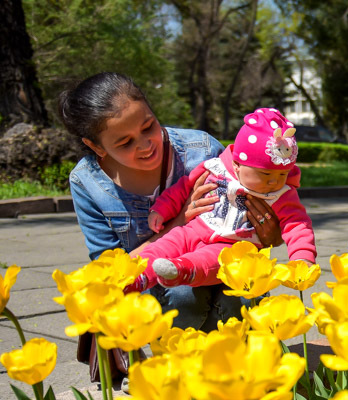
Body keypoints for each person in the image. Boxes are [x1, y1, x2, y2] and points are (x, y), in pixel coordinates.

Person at [60, 72, 284, 329]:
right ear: (97, 147)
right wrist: (178, 221)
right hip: (159, 292)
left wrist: (272, 233)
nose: (145, 145)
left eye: (149, 127)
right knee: (181, 291)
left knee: (246, 286)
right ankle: (181, 358)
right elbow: (111, 274)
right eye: (125, 143)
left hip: (222, 269)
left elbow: (268, 231)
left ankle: (237, 357)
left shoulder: (202, 150)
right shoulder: (87, 182)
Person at [128, 107, 317, 291]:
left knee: (213, 263)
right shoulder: (215, 169)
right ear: (237, 165)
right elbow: (183, 188)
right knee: (164, 246)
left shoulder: (282, 193)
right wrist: (161, 209)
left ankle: (181, 271)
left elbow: (298, 224)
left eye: (283, 174)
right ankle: (137, 278)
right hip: (193, 229)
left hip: (232, 245)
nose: (275, 181)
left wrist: (302, 258)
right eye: (265, 174)